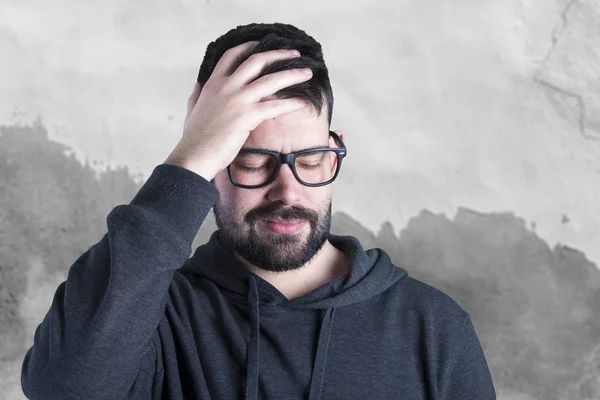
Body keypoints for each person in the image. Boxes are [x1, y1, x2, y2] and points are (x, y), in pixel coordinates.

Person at [20, 22, 496, 399]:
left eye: (311, 161)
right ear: (213, 165)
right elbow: (62, 387)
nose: (287, 191)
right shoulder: (155, 317)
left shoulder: (432, 326)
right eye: (252, 162)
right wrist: (187, 161)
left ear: (336, 149)